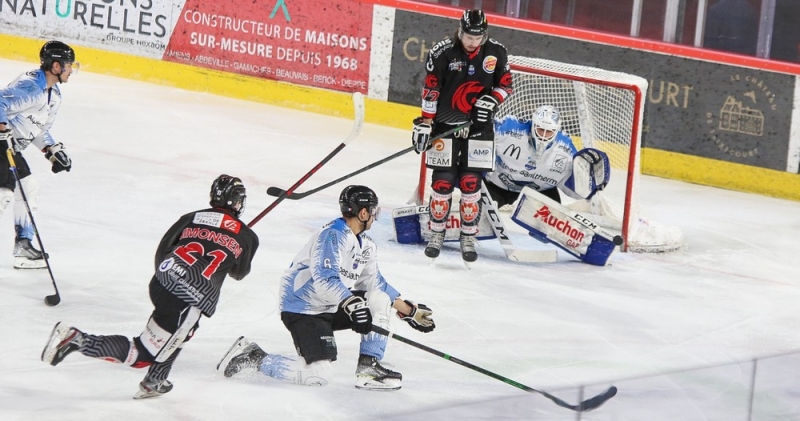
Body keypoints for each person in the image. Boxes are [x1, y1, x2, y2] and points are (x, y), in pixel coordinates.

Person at [41, 174, 259, 399]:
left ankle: (155, 381)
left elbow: (164, 248)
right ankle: (77, 339)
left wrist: (168, 277)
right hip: (190, 295)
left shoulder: (191, 217)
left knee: (183, 331)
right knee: (144, 353)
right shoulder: (248, 236)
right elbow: (239, 273)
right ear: (237, 201)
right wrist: (236, 243)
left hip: (162, 282)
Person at [218, 185, 435, 391]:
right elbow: (324, 277)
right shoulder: (333, 235)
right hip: (303, 309)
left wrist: (410, 311)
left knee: (378, 297)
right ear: (362, 213)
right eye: (372, 211)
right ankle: (254, 357)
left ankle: (369, 368)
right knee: (318, 376)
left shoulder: (366, 245)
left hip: (332, 306)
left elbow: (375, 284)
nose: (374, 216)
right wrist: (351, 304)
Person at [411, 9, 512, 263]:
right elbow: (431, 89)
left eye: (477, 37)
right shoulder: (443, 52)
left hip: (480, 129)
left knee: (470, 184)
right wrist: (425, 125)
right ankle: (436, 234)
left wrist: (493, 99)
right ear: (460, 30)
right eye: (467, 35)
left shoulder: (496, 52)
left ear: (484, 35)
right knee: (442, 183)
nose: (471, 42)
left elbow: (506, 84)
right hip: (446, 126)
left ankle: (468, 236)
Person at [0, 40, 77, 269]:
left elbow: (38, 129)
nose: (71, 70)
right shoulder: (31, 86)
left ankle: (23, 247)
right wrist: (2, 127)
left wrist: (52, 151)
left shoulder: (54, 96)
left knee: (29, 186)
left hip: (9, 147)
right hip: (1, 143)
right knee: (4, 192)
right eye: (68, 65)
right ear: (56, 66)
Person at [484, 105, 610, 209]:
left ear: (557, 130)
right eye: (540, 129)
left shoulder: (565, 148)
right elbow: (483, 133)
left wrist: (589, 188)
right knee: (471, 217)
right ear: (533, 124)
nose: (543, 136)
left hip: (537, 193)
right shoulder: (509, 130)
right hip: (496, 186)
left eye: (549, 131)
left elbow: (572, 188)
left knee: (555, 223)